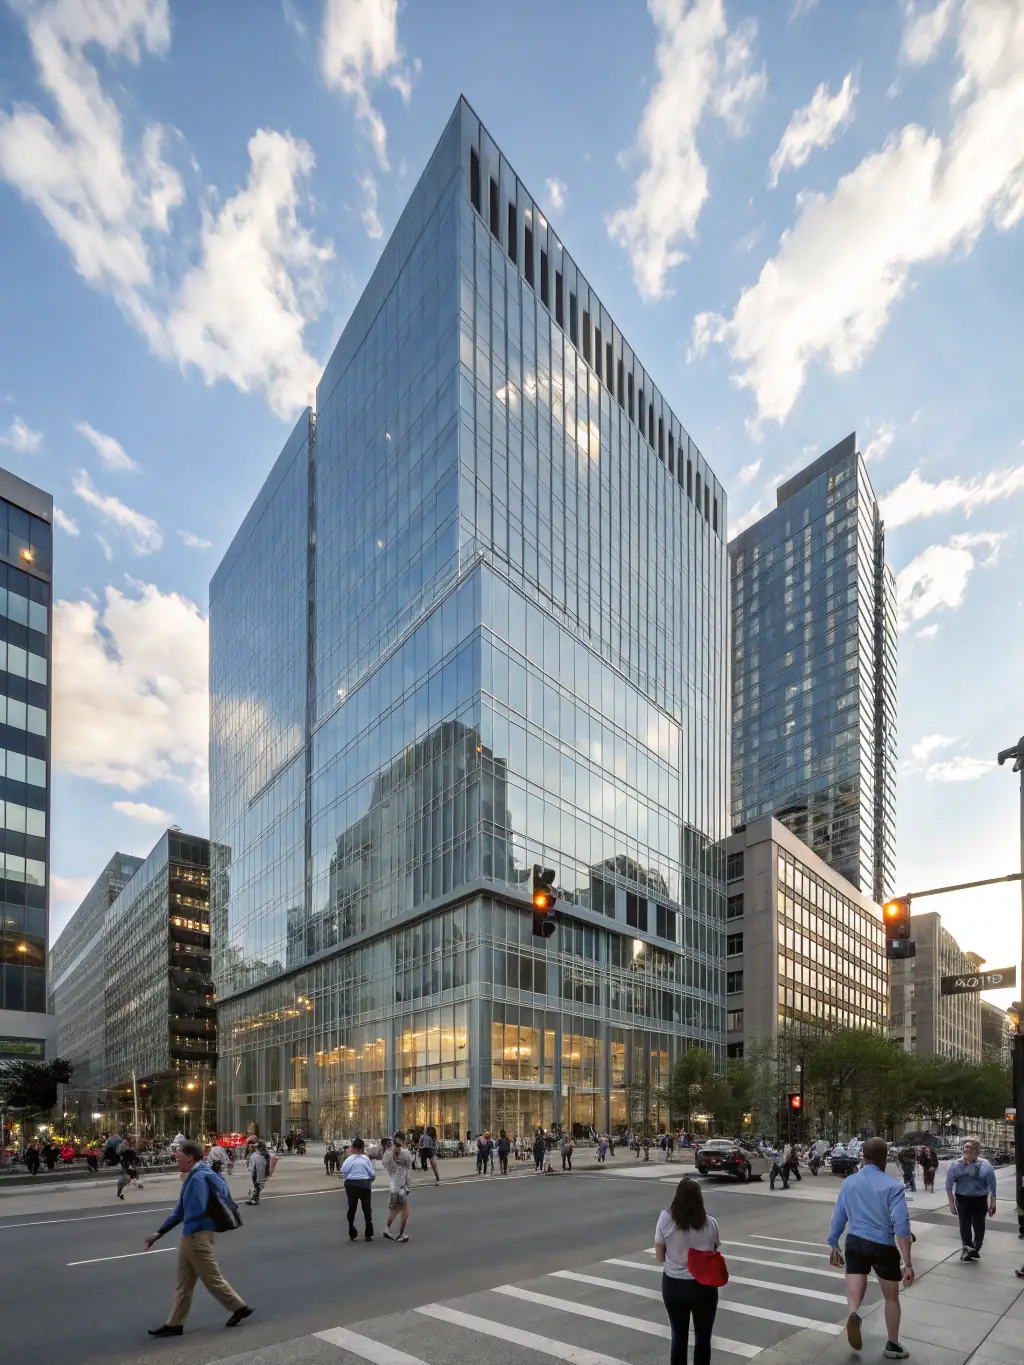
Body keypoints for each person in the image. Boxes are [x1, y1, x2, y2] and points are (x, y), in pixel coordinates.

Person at [144, 1138, 252, 1337]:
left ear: (190, 1157)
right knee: (184, 1283)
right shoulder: (207, 1173)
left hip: (196, 1237)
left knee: (212, 1279)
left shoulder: (196, 1179)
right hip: (195, 1236)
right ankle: (175, 1324)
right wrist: (158, 1234)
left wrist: (166, 1229)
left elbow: (192, 1210)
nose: (176, 1160)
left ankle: (240, 1307)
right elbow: (182, 1210)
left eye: (179, 1157)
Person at [827, 1135, 914, 1360]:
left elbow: (839, 1216)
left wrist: (833, 1243)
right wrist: (908, 1263)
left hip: (855, 1242)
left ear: (863, 1157)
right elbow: (902, 1226)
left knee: (855, 1287)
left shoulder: (850, 1182)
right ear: (884, 1159)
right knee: (892, 1298)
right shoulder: (893, 1187)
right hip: (883, 1246)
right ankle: (893, 1345)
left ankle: (854, 1313)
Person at [655, 1177, 721, 1365]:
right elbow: (713, 1252)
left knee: (679, 1336)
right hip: (704, 1287)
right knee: (703, 1338)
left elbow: (660, 1256)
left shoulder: (666, 1219)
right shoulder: (711, 1224)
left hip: (674, 1285)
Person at [945, 1137, 997, 1262]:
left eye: (970, 1148)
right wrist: (951, 1203)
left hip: (979, 1200)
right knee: (964, 1226)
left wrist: (993, 1203)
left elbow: (992, 1185)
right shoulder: (956, 1165)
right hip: (962, 1200)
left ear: (976, 1151)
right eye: (965, 1147)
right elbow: (948, 1185)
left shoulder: (986, 1166)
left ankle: (975, 1247)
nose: (967, 1149)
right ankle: (967, 1249)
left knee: (979, 1226)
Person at [340, 1137, 375, 1242]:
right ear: (362, 1148)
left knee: (352, 1207)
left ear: (353, 1148)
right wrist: (370, 1180)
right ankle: (368, 1233)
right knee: (367, 1209)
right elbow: (372, 1173)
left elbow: (343, 1171)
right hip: (364, 1184)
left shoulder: (349, 1159)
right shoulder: (366, 1159)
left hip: (351, 1184)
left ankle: (352, 1230)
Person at [382, 1131, 413, 1242]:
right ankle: (401, 1234)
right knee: (405, 1211)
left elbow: (384, 1164)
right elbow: (409, 1168)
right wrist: (408, 1184)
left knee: (395, 1209)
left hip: (393, 1185)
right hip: (401, 1186)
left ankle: (386, 1228)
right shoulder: (406, 1153)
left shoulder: (388, 1153)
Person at [246, 1140, 269, 1206]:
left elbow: (258, 1167)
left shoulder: (258, 1155)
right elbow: (259, 1168)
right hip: (256, 1172)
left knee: (256, 1185)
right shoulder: (258, 1155)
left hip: (256, 1172)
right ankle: (254, 1199)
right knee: (257, 1185)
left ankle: (253, 1199)